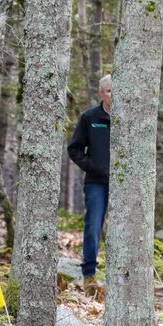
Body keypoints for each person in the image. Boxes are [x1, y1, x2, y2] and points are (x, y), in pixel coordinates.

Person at [68, 75, 112, 296]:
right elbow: (74, 149)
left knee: (119, 231)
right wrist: (92, 166)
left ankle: (119, 274)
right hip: (96, 183)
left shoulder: (130, 117)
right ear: (101, 93)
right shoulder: (90, 117)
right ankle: (89, 275)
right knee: (93, 226)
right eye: (109, 91)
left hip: (123, 185)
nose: (113, 96)